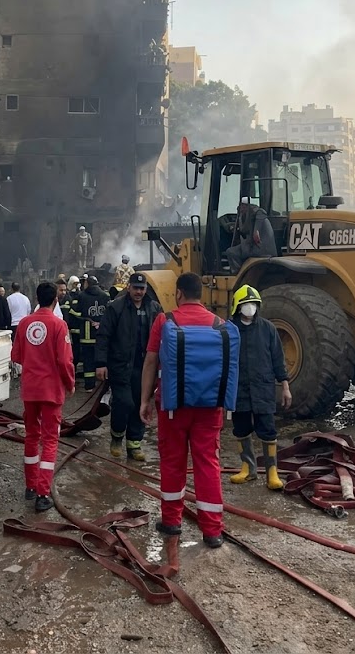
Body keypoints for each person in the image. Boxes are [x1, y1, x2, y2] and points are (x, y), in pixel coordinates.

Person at [140, 273, 228, 549]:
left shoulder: (164, 321)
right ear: (200, 294)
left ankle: (171, 521)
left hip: (173, 406)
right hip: (210, 407)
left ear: (179, 293)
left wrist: (144, 400)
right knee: (208, 464)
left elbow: (151, 361)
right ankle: (212, 531)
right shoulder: (219, 324)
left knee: (172, 463)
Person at [11, 281, 75, 512]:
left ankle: (30, 486)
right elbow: (64, 361)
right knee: (49, 440)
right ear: (56, 300)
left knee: (31, 436)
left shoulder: (24, 324)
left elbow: (16, 356)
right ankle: (42, 494)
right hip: (51, 391)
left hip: (30, 390)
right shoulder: (59, 325)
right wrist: (70, 383)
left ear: (36, 299)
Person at [229, 285, 291, 490]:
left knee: (268, 429)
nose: (250, 308)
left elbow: (278, 359)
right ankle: (248, 468)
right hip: (239, 389)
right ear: (238, 307)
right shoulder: (229, 330)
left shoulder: (268, 329)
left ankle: (272, 472)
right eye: (246, 304)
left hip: (263, 388)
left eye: (253, 304)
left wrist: (285, 385)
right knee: (241, 428)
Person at [96, 272, 161, 461]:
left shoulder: (154, 308)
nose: (139, 292)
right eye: (135, 288)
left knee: (141, 404)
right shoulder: (115, 307)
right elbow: (104, 336)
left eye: (142, 288)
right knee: (124, 402)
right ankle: (117, 436)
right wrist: (101, 363)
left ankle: (134, 444)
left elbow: (162, 338)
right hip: (120, 365)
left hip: (144, 368)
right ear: (128, 287)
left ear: (146, 289)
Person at [76, 274, 111, 391]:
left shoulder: (82, 296)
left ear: (87, 283)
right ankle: (104, 385)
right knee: (103, 358)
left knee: (88, 361)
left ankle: (89, 386)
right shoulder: (105, 295)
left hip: (87, 335)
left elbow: (77, 313)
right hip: (102, 334)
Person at [224, 198, 277, 273]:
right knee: (231, 251)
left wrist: (256, 231)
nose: (240, 209)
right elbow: (244, 230)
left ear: (246, 206)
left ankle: (238, 273)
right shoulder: (245, 216)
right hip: (254, 246)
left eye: (242, 206)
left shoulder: (257, 214)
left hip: (261, 249)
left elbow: (261, 212)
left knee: (231, 252)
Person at [65, 275, 83, 365]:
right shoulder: (69, 296)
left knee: (76, 346)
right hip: (74, 325)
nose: (77, 285)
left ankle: (75, 363)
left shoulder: (76, 296)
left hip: (75, 325)